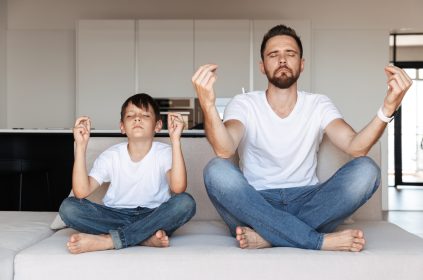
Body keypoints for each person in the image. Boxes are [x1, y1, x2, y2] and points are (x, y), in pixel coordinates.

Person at [191, 24, 412, 252]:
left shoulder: (318, 104)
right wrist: (207, 105)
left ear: (302, 64)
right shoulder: (244, 103)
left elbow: (356, 147)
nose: (283, 60)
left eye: (290, 54)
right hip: (255, 202)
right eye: (273, 55)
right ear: (262, 66)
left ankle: (269, 235)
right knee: (216, 169)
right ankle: (315, 240)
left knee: (366, 170)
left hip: (309, 201)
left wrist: (388, 108)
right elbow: (225, 149)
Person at [59, 93, 196, 254]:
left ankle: (110, 240)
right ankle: (143, 237)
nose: (137, 119)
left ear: (158, 126)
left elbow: (178, 188)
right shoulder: (111, 155)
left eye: (145, 115)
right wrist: (81, 146)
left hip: (153, 215)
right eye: (131, 115)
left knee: (185, 202)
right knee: (69, 207)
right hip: (115, 216)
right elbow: (81, 191)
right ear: (122, 126)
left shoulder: (165, 152)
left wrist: (175, 140)